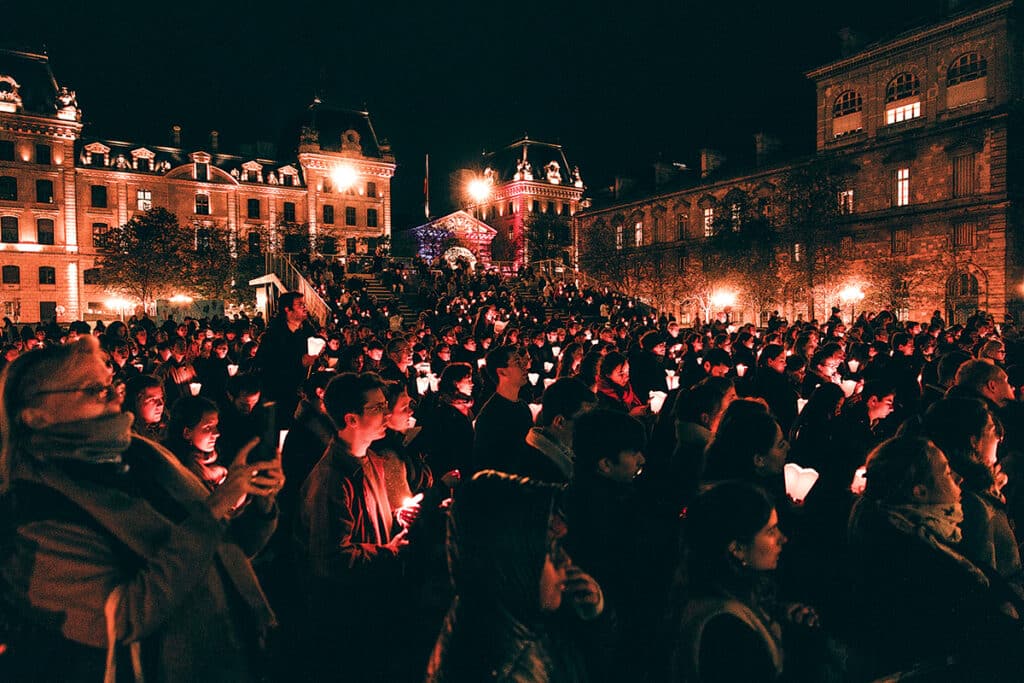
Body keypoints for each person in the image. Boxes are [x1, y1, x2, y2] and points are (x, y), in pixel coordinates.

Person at [0, 337, 282, 681]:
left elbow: (223, 549)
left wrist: (259, 500)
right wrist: (214, 509)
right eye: (94, 390)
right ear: (36, 416)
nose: (116, 396)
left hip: (235, 654)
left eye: (110, 384)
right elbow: (126, 618)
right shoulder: (38, 511)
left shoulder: (143, 456)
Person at [845, 436, 1024, 678]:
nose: (959, 478)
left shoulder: (927, 535)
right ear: (920, 492)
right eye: (947, 472)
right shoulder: (907, 558)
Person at [426, 471, 606, 683]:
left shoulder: (512, 618)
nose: (566, 561)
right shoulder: (506, 671)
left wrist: (592, 621)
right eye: (551, 550)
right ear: (515, 559)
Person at [294, 372, 411, 681]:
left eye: (386, 405)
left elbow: (367, 521)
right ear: (351, 419)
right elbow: (331, 558)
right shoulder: (331, 480)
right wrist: (388, 551)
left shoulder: (371, 461)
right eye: (376, 408)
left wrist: (395, 517)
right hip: (348, 616)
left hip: (375, 601)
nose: (387, 414)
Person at [670, 481, 817, 683]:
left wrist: (779, 616)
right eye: (771, 531)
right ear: (737, 548)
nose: (783, 539)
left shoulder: (728, 595)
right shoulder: (725, 629)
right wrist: (803, 648)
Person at [253, 292, 317, 425]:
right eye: (300, 305)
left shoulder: (308, 332)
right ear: (287, 309)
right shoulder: (273, 336)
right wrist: (298, 362)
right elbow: (265, 365)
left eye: (304, 304)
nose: (305, 308)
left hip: (304, 397)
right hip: (279, 398)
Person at [521, 377, 596, 483]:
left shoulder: (567, 450)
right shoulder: (543, 472)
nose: (591, 426)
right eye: (584, 419)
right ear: (560, 422)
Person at [472, 346, 533, 475]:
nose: (525, 366)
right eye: (517, 362)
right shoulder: (489, 418)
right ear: (502, 372)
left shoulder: (522, 406)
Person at [122, 373, 168, 440]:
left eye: (161, 398)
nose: (161, 404)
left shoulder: (155, 431)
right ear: (135, 402)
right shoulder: (130, 439)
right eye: (152, 400)